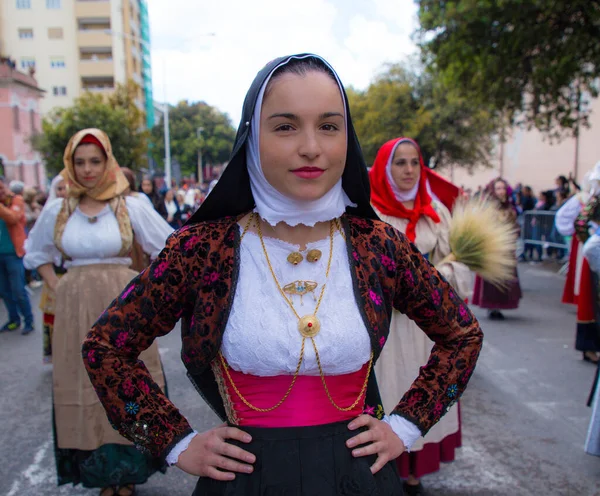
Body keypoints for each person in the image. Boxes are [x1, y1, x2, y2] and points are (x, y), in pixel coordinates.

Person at [82, 54, 483, 496]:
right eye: (286, 126)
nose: (311, 146)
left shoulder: (377, 244)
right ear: (253, 138)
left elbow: (461, 334)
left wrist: (405, 426)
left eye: (329, 126)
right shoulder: (204, 249)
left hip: (359, 480)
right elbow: (105, 347)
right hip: (246, 481)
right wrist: (176, 442)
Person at [24, 129, 173, 495]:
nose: (88, 169)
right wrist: (58, 287)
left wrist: (147, 292)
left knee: (127, 381)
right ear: (69, 166)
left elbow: (168, 247)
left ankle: (129, 473)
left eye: (95, 161)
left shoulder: (130, 205)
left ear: (108, 162)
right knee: (82, 382)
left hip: (122, 305)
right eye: (80, 162)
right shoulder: (58, 209)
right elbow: (36, 253)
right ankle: (103, 476)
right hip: (73, 307)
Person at [369, 137, 471, 495]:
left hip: (426, 328)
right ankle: (385, 468)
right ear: (385, 168)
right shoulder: (368, 211)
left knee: (422, 386)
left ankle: (413, 473)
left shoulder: (436, 211)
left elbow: (458, 259)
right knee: (389, 391)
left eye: (415, 162)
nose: (410, 170)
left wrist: (433, 282)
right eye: (401, 163)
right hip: (384, 327)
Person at [556, 168, 598, 363]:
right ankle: (588, 346)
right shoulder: (593, 200)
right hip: (595, 258)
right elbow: (580, 223)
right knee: (591, 302)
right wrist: (591, 241)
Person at [472, 178, 522, 319]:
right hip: (493, 247)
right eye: (498, 188)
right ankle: (491, 306)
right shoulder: (488, 208)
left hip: (507, 247)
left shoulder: (510, 208)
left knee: (504, 277)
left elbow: (514, 226)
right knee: (492, 278)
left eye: (503, 188)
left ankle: (500, 305)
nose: (501, 191)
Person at [33, 175, 68, 363]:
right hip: (57, 273)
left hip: (73, 273)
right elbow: (38, 249)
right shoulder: (50, 214)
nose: (63, 192)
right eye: (59, 189)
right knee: (55, 315)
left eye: (65, 188)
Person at [0, 176, 34, 334]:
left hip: (14, 253)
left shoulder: (16, 201)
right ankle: (14, 319)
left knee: (18, 289)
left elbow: (12, 218)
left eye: (1, 188)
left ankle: (29, 321)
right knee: (4, 290)